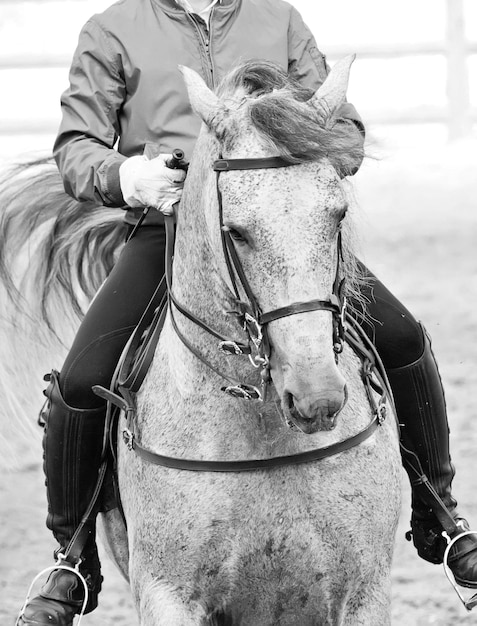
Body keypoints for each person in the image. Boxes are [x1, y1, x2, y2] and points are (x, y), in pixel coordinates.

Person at [16, 0, 477, 624]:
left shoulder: (277, 18)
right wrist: (129, 175)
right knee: (80, 380)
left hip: (284, 226)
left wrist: (316, 149)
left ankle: (440, 517)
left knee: (403, 340)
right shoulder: (112, 29)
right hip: (169, 227)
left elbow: (346, 131)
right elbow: (77, 146)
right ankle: (73, 560)